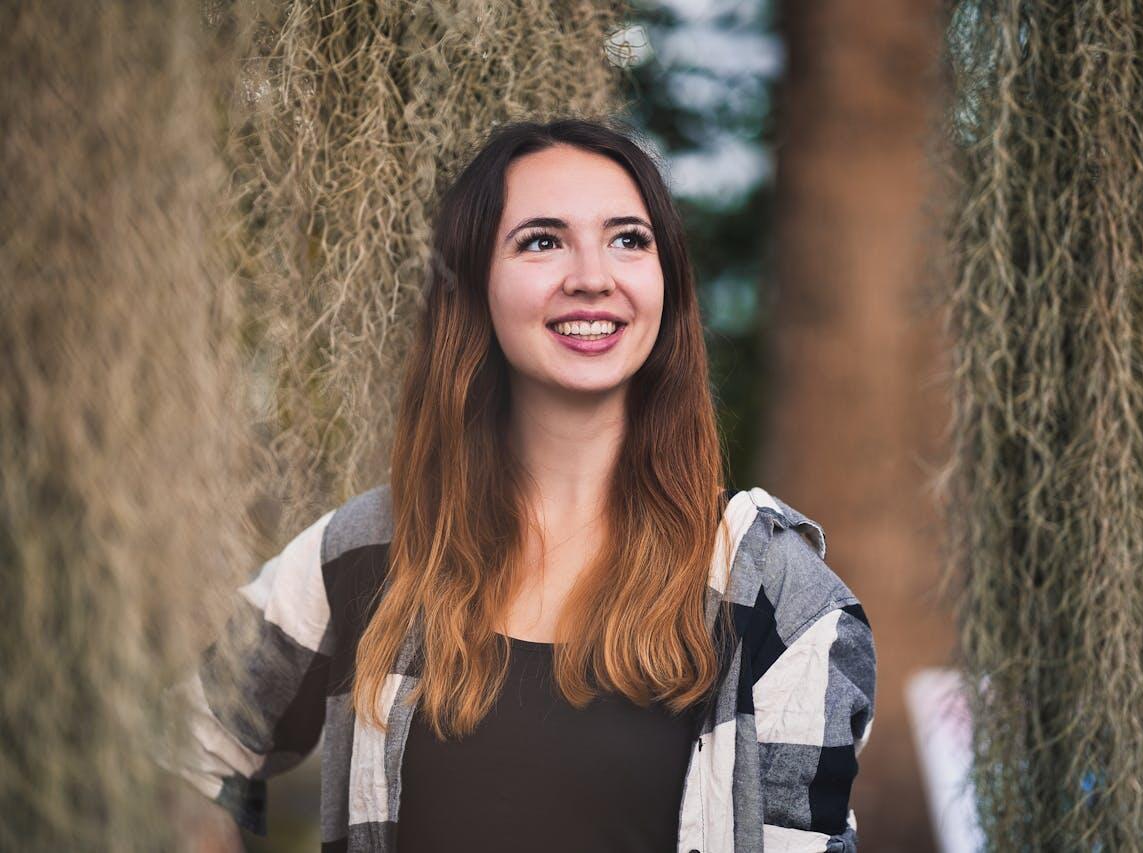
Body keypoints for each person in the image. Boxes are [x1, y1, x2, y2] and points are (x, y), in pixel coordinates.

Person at [159, 117, 876, 853]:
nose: (593, 275)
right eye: (542, 240)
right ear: (474, 285)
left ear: (667, 284)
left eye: (629, 238)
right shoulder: (370, 552)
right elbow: (184, 751)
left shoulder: (777, 596)